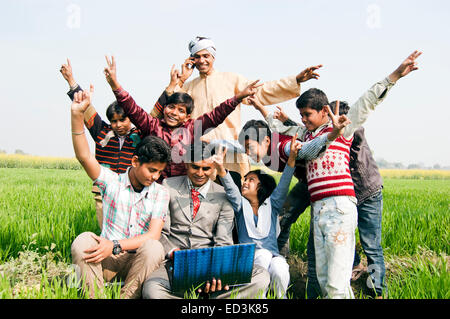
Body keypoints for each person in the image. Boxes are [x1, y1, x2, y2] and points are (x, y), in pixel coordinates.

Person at [263, 50, 422, 298]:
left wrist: (394, 76)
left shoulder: (342, 129)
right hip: (319, 210)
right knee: (327, 280)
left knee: (337, 283)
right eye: (302, 115)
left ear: (325, 111)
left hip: (338, 207)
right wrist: (259, 105)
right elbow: (283, 127)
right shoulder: (308, 136)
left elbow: (367, 102)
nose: (303, 120)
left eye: (308, 115)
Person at [149, 36, 323, 178]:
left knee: (237, 204)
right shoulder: (187, 87)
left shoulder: (231, 79)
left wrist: (295, 81)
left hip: (232, 153)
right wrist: (180, 80)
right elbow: (160, 113)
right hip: (200, 157)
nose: (202, 60)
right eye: (197, 57)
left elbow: (261, 91)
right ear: (192, 60)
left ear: (213, 57)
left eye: (206, 56)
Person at [271, 101, 387, 298]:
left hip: (366, 192)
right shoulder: (322, 134)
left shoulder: (349, 132)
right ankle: (347, 270)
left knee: (371, 244)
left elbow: (321, 135)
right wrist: (286, 121)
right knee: (329, 243)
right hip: (330, 194)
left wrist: (337, 127)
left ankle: (378, 290)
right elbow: (307, 131)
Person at [69, 85, 171, 299]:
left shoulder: (160, 193)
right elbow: (85, 157)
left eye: (159, 172)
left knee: (154, 247)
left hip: (137, 262)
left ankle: (128, 296)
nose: (155, 177)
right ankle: (94, 294)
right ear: (135, 161)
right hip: (105, 260)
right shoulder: (111, 182)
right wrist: (77, 115)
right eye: (151, 170)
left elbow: (153, 235)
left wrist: (114, 246)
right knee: (83, 241)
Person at [142, 142, 270, 299]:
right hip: (173, 263)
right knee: (151, 290)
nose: (200, 173)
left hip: (209, 264)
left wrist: (217, 271)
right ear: (187, 163)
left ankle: (208, 295)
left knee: (261, 276)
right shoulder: (169, 186)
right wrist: (174, 254)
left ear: (214, 168)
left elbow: (223, 240)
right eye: (195, 167)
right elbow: (161, 232)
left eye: (206, 168)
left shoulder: (223, 196)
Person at [103, 55, 262, 182]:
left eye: (181, 110)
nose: (173, 113)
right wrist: (115, 85)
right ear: (164, 108)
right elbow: (132, 108)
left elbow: (217, 114)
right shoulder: (152, 125)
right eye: (171, 107)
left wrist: (238, 97)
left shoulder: (192, 128)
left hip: (183, 188)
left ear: (187, 116)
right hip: (157, 185)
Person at [213, 134, 301, 298]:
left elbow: (284, 183)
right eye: (244, 180)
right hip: (248, 259)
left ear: (261, 187)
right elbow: (231, 189)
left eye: (250, 180)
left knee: (280, 268)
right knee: (263, 255)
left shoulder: (272, 205)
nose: (245, 182)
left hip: (272, 256)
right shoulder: (240, 205)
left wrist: (292, 159)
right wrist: (220, 168)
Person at [60, 59, 144, 230]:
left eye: (123, 120)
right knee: (106, 230)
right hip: (103, 192)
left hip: (132, 192)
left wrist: (175, 83)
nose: (118, 125)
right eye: (114, 121)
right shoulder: (102, 132)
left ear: (131, 119)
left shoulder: (140, 135)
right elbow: (86, 109)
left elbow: (156, 114)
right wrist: (71, 80)